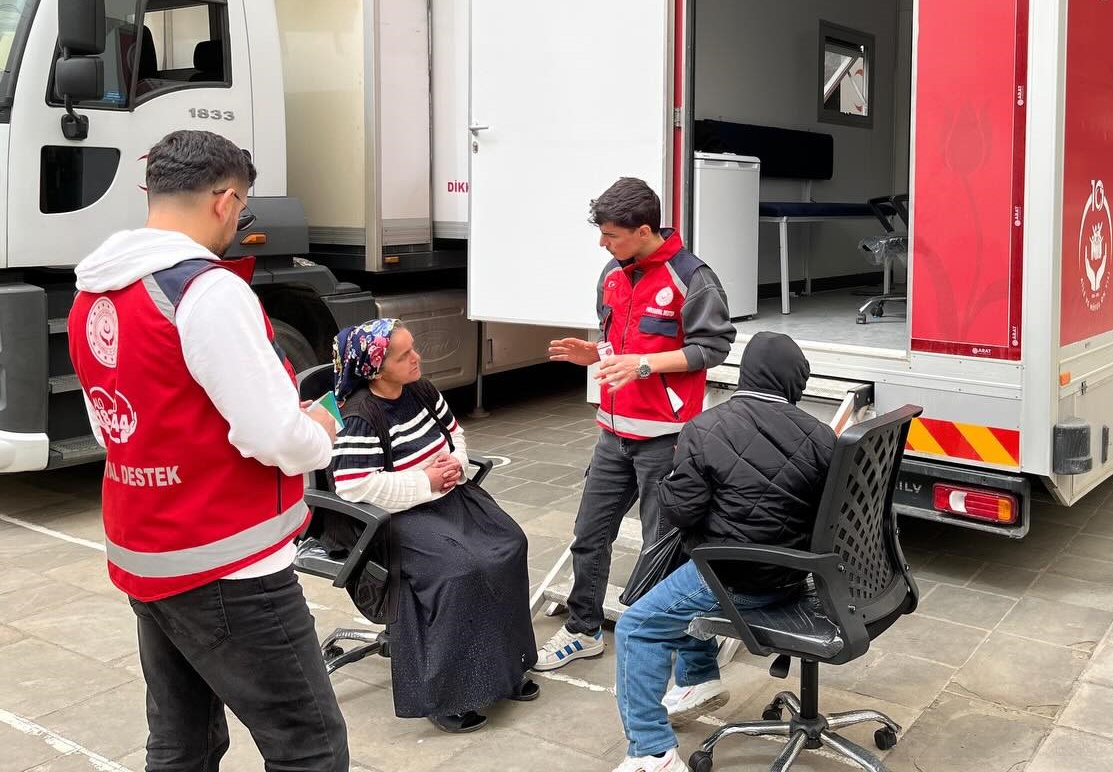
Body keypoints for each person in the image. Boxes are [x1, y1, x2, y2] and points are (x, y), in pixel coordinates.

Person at [67, 129, 348, 772]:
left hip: (149, 555)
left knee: (183, 741)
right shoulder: (207, 290)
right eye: (242, 209)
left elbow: (117, 423)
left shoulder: (92, 293)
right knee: (310, 745)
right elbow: (273, 436)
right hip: (230, 565)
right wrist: (319, 432)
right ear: (225, 201)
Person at [609, 332, 836, 772]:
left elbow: (679, 512)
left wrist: (675, 473)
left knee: (638, 625)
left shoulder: (706, 427)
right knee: (682, 570)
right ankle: (698, 679)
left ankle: (652, 753)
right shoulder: (822, 435)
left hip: (736, 578)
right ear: (796, 379)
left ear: (745, 373)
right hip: (795, 575)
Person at [540, 178, 735, 676]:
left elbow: (713, 348)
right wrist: (597, 353)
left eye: (611, 235)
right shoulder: (611, 273)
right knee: (588, 535)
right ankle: (583, 631)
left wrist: (644, 367)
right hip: (612, 435)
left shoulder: (692, 278)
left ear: (643, 229)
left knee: (660, 548)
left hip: (665, 441)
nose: (603, 244)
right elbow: (617, 342)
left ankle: (661, 641)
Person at [328, 319, 539, 733]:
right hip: (399, 517)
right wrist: (425, 482)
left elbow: (455, 435)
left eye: (413, 348)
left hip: (447, 496)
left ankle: (505, 671)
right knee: (461, 569)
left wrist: (455, 464)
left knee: (509, 544)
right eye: (404, 354)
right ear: (375, 367)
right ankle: (448, 696)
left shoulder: (421, 390)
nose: (416, 357)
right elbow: (355, 487)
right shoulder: (361, 415)